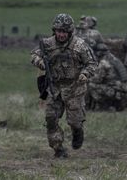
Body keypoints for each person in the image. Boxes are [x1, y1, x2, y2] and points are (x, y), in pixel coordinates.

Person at [31, 13, 97, 158]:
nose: (61, 35)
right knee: (50, 118)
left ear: (70, 32)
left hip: (74, 88)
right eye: (58, 31)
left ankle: (77, 131)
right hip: (54, 88)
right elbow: (34, 55)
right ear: (54, 30)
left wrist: (85, 74)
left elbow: (92, 63)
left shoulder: (79, 45)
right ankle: (58, 148)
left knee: (74, 121)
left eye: (64, 32)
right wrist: (40, 62)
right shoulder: (47, 44)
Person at [88, 43, 127, 111]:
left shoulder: (104, 62)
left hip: (114, 90)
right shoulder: (115, 59)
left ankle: (105, 106)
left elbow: (98, 79)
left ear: (99, 53)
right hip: (123, 88)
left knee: (90, 85)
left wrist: (88, 78)